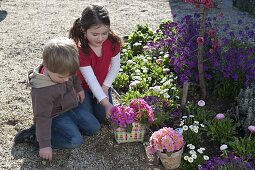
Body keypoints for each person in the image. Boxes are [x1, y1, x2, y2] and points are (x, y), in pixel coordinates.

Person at [14, 37, 100, 161]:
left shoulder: (64, 69)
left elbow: (74, 77)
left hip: (71, 107)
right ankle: (35, 136)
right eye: (61, 77)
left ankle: (69, 128)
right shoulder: (42, 91)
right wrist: (44, 146)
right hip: (55, 117)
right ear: (47, 67)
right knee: (75, 141)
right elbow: (42, 117)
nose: (66, 79)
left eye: (68, 76)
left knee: (94, 127)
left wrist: (78, 88)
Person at [69, 4, 122, 123]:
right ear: (84, 30)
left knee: (103, 117)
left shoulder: (113, 42)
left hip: (103, 84)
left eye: (104, 33)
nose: (100, 38)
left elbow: (115, 67)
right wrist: (106, 103)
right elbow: (90, 79)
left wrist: (105, 88)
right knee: (87, 120)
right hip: (83, 87)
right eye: (95, 34)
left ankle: (97, 101)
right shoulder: (81, 49)